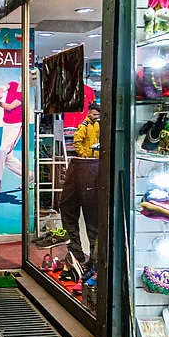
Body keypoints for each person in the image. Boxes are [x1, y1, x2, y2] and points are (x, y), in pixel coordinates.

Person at [60, 103, 100, 277]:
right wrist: (84, 153)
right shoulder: (84, 126)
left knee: (92, 216)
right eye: (94, 114)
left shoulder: (97, 125)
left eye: (97, 114)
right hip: (82, 162)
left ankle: (94, 260)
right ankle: (76, 255)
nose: (95, 116)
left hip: (91, 164)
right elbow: (77, 142)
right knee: (68, 207)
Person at [0, 79, 33, 195]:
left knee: (3, 151)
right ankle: (28, 175)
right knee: (7, 157)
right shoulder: (13, 84)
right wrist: (0, 92)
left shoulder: (23, 95)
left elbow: (9, 107)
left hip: (16, 126)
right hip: (6, 124)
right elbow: (3, 87)